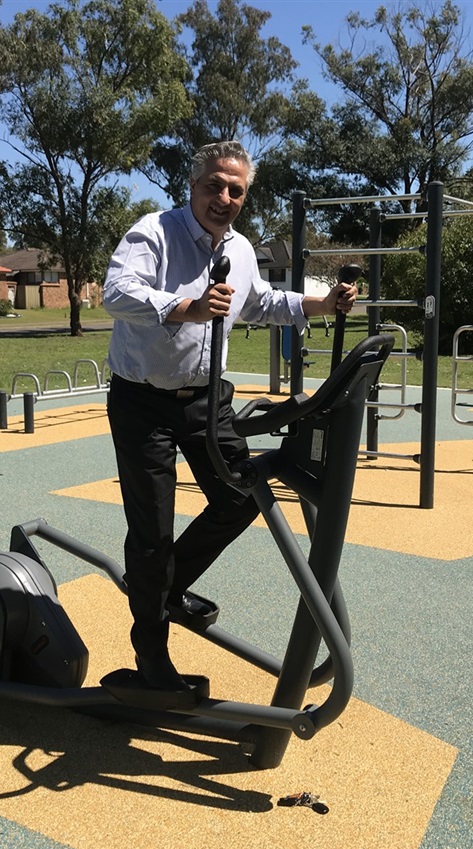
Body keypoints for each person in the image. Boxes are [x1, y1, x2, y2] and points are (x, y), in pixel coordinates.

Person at [101, 140, 358, 693]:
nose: (223, 197)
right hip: (143, 400)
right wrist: (183, 307)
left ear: (245, 196)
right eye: (214, 185)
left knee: (242, 496)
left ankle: (166, 588)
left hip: (205, 399)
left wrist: (319, 303)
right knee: (151, 533)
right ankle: (151, 657)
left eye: (235, 190)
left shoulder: (240, 248)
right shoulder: (154, 232)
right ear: (192, 185)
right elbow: (116, 293)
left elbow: (259, 301)